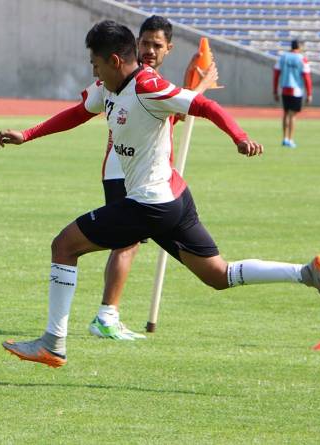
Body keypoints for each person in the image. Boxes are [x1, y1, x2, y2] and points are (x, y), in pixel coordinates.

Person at [0, 21, 320, 369]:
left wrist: (239, 137)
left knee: (64, 246)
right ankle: (307, 273)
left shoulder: (149, 86)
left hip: (150, 203)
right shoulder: (108, 88)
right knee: (218, 275)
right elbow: (77, 113)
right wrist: (27, 134)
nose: (94, 70)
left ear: (115, 61)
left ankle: (53, 344)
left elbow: (205, 106)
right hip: (174, 198)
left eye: (96, 63)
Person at [89, 15, 219, 341]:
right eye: (144, 42)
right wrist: (201, 87)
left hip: (148, 176)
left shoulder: (152, 82)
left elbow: (173, 115)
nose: (148, 49)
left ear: (168, 49)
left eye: (156, 45)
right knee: (126, 243)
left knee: (128, 244)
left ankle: (108, 314)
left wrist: (194, 87)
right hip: (123, 172)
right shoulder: (130, 79)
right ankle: (107, 314)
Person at [273, 39, 312, 148]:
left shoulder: (283, 57)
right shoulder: (302, 59)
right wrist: (309, 93)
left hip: (284, 89)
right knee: (292, 115)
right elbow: (307, 77)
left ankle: (284, 138)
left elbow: (276, 74)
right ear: (299, 47)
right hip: (296, 90)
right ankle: (290, 139)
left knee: (285, 114)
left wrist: (275, 91)